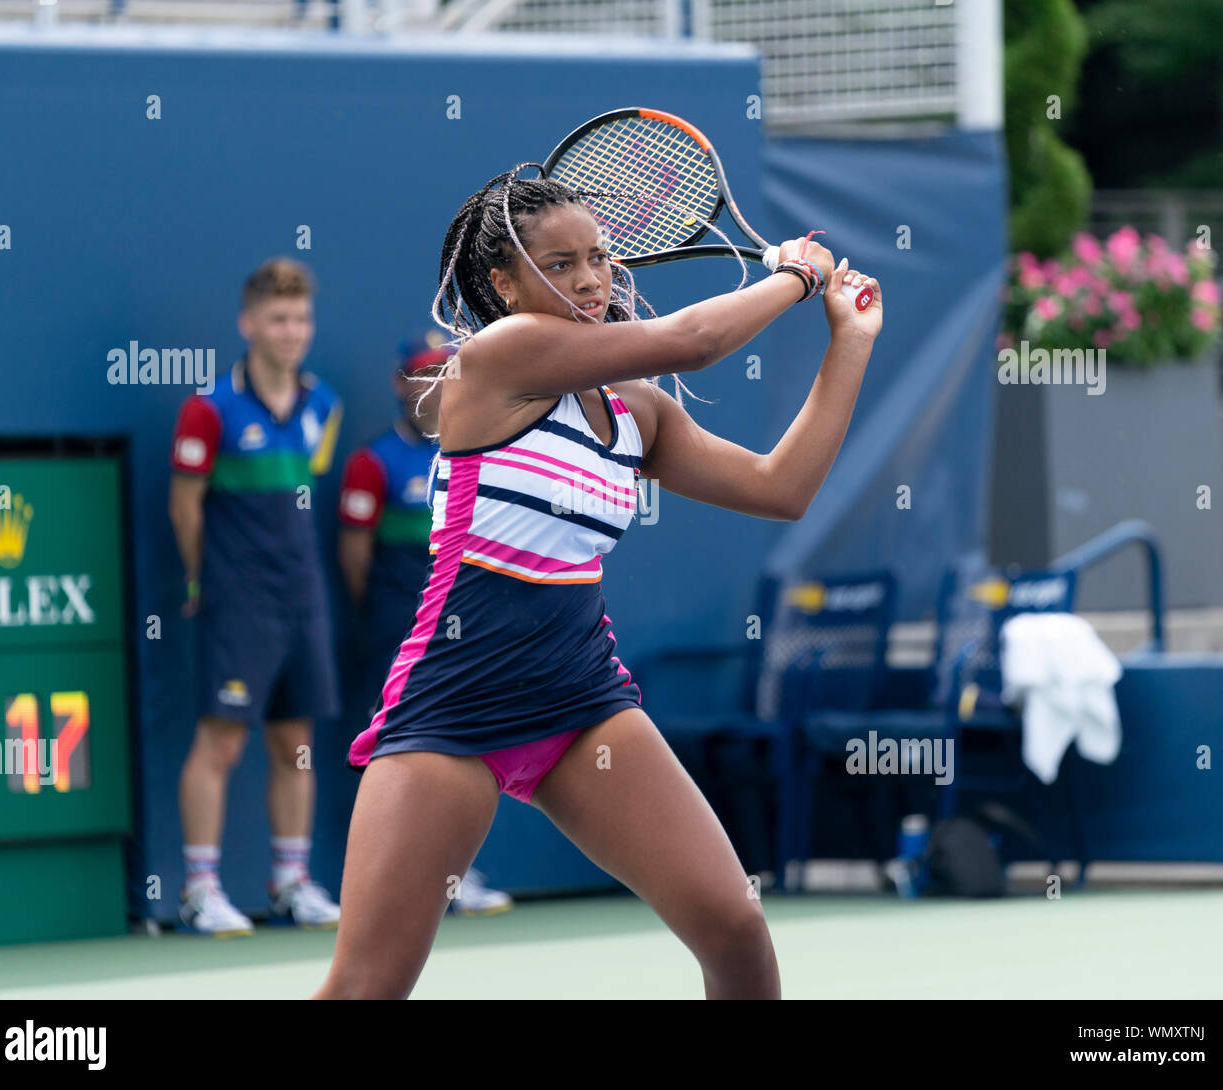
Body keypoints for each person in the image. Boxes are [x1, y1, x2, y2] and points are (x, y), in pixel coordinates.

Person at [312, 164, 881, 999]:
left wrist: (849, 345)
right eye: (560, 264)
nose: (589, 280)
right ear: (503, 285)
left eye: (600, 257)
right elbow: (693, 338)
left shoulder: (636, 410)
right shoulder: (502, 356)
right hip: (451, 710)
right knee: (367, 988)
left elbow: (779, 488)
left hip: (582, 707)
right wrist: (798, 275)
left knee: (736, 931)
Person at [169, 257, 344, 935]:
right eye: (278, 318)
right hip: (237, 601)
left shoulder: (322, 404)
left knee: (295, 744)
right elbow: (186, 509)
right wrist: (200, 581)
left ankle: (291, 882)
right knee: (220, 745)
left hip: (304, 597)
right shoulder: (208, 409)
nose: (291, 330)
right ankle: (199, 888)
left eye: (300, 318)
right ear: (248, 324)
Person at [336, 332, 512, 916]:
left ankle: (453, 878)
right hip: (397, 628)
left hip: (468, 628)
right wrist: (385, 614)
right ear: (400, 383)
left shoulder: (484, 448)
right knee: (402, 750)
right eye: (422, 372)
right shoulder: (372, 461)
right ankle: (388, 885)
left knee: (467, 744)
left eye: (446, 370)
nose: (435, 382)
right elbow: (355, 555)